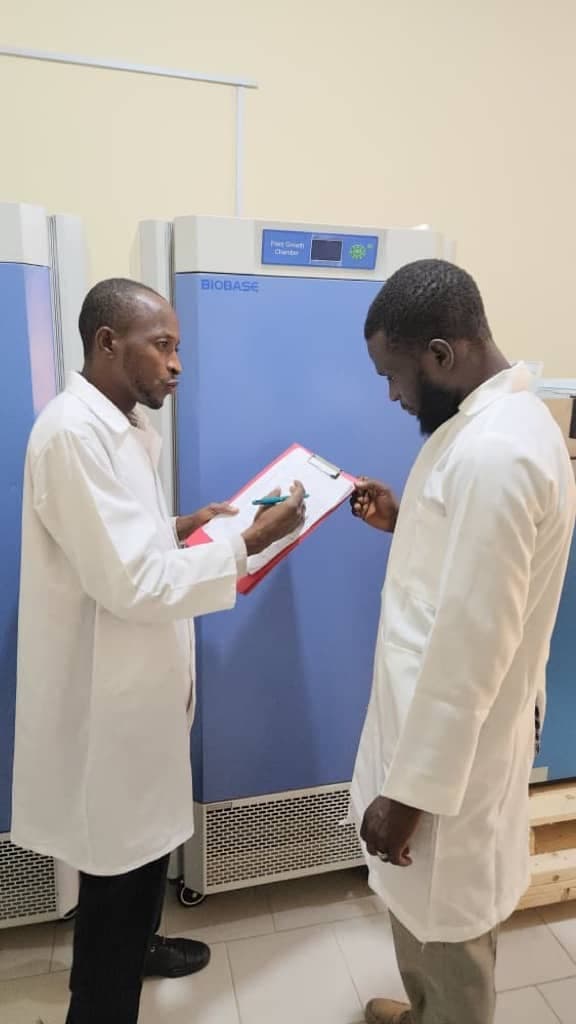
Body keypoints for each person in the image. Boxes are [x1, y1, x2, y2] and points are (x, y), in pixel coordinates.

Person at [11, 278, 306, 1024]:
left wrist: (182, 526)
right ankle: (103, 1003)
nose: (178, 364)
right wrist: (247, 542)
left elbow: (117, 542)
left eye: (180, 347)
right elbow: (132, 584)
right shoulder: (74, 434)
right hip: (107, 696)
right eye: (163, 346)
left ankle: (141, 946)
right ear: (108, 342)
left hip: (137, 688)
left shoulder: (119, 426)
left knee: (141, 854)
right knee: (118, 869)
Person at [349, 259, 575, 1024]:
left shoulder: (497, 452)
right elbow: (467, 568)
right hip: (431, 740)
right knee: (421, 923)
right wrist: (407, 518)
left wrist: (407, 796)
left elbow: (474, 645)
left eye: (397, 374)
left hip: (446, 765)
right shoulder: (480, 427)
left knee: (450, 934)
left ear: (443, 355)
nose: (392, 394)